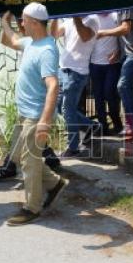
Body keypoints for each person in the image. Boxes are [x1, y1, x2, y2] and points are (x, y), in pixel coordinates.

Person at [0, 4, 68, 226]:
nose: (21, 23)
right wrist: (4, 23)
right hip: (25, 113)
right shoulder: (30, 42)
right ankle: (55, 184)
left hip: (36, 115)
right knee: (23, 157)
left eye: (24, 20)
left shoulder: (47, 50)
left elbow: (53, 86)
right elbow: (10, 40)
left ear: (35, 23)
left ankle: (32, 208)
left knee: (29, 161)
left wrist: (44, 121)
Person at [50, 15, 100, 157]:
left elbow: (84, 36)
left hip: (77, 73)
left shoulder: (92, 20)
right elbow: (54, 34)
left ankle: (73, 147)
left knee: (67, 108)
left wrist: (76, 16)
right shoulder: (68, 21)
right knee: (59, 107)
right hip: (63, 70)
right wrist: (55, 17)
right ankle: (92, 126)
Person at [96, 8, 133, 134]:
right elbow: (124, 33)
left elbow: (125, 28)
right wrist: (119, 50)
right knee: (126, 87)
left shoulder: (127, 5)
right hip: (127, 53)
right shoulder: (120, 6)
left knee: (123, 86)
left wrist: (102, 33)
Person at [88, 11, 123, 135]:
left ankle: (117, 123)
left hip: (113, 64)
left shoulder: (115, 16)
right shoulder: (91, 18)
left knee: (110, 93)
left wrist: (119, 51)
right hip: (95, 63)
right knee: (98, 97)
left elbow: (122, 37)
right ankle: (103, 126)